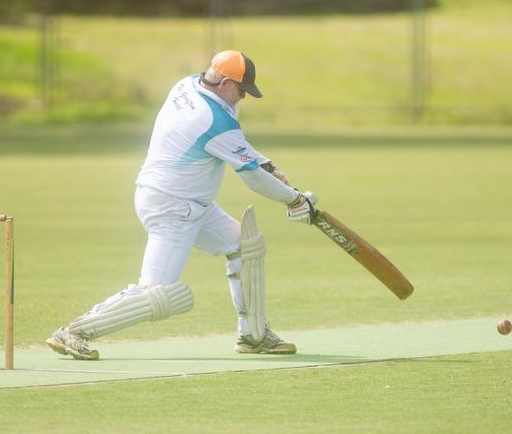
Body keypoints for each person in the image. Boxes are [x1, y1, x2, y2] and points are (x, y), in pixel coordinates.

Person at [46, 50, 316, 360]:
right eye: (242, 91)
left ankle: (253, 335)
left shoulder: (188, 85)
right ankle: (74, 332)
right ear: (226, 83)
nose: (242, 98)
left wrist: (266, 164)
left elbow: (239, 149)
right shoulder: (212, 119)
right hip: (173, 207)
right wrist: (294, 200)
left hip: (185, 200)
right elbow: (252, 178)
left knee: (246, 246)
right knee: (158, 292)